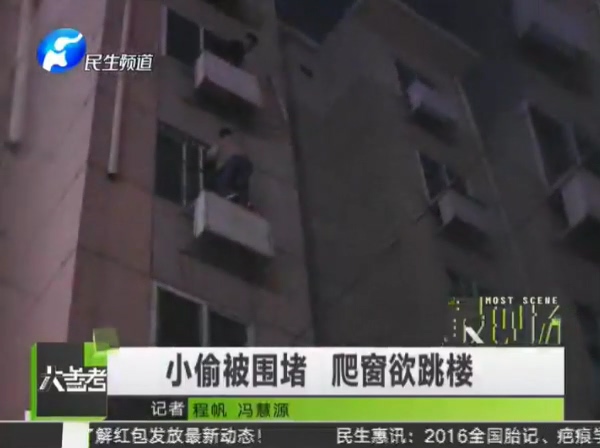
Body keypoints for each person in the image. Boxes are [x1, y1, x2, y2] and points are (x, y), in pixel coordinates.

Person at [207, 128, 254, 207]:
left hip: (233, 162)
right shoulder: (236, 142)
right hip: (247, 165)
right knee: (242, 185)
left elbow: (210, 156)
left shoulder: (220, 142)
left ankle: (230, 196)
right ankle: (244, 203)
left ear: (221, 136)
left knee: (222, 183)